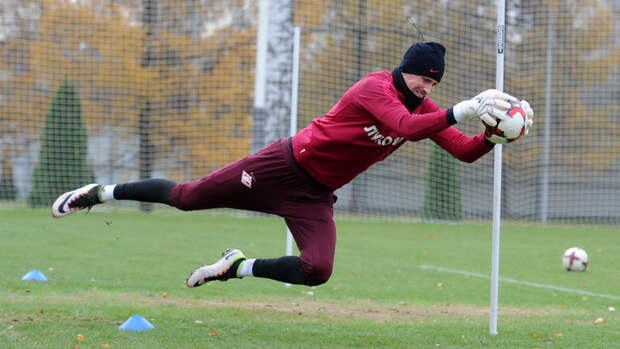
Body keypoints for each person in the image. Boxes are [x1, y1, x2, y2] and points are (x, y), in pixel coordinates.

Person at [51, 42, 533, 288]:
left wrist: (494, 134)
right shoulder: (375, 88)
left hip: (313, 195)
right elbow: (402, 127)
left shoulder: (427, 108)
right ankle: (99, 193)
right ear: (404, 69)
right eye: (423, 80)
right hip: (278, 167)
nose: (429, 90)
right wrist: (462, 110)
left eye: (434, 85)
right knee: (185, 198)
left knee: (317, 271)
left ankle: (236, 268)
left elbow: (465, 151)